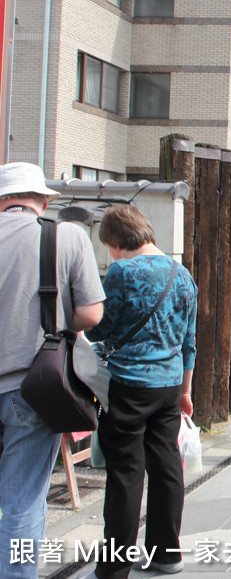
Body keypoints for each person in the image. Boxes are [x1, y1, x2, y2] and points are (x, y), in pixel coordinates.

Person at [0, 163, 105, 579]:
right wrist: (54, 322)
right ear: (43, 201)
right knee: (22, 500)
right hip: (33, 387)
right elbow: (91, 314)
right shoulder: (65, 235)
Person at [86, 204, 197, 579]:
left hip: (129, 386)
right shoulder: (182, 275)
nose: (110, 254)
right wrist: (186, 390)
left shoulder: (121, 272)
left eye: (109, 246)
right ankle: (167, 554)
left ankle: (114, 568)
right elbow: (189, 342)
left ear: (116, 242)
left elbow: (100, 327)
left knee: (126, 473)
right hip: (168, 387)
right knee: (166, 466)